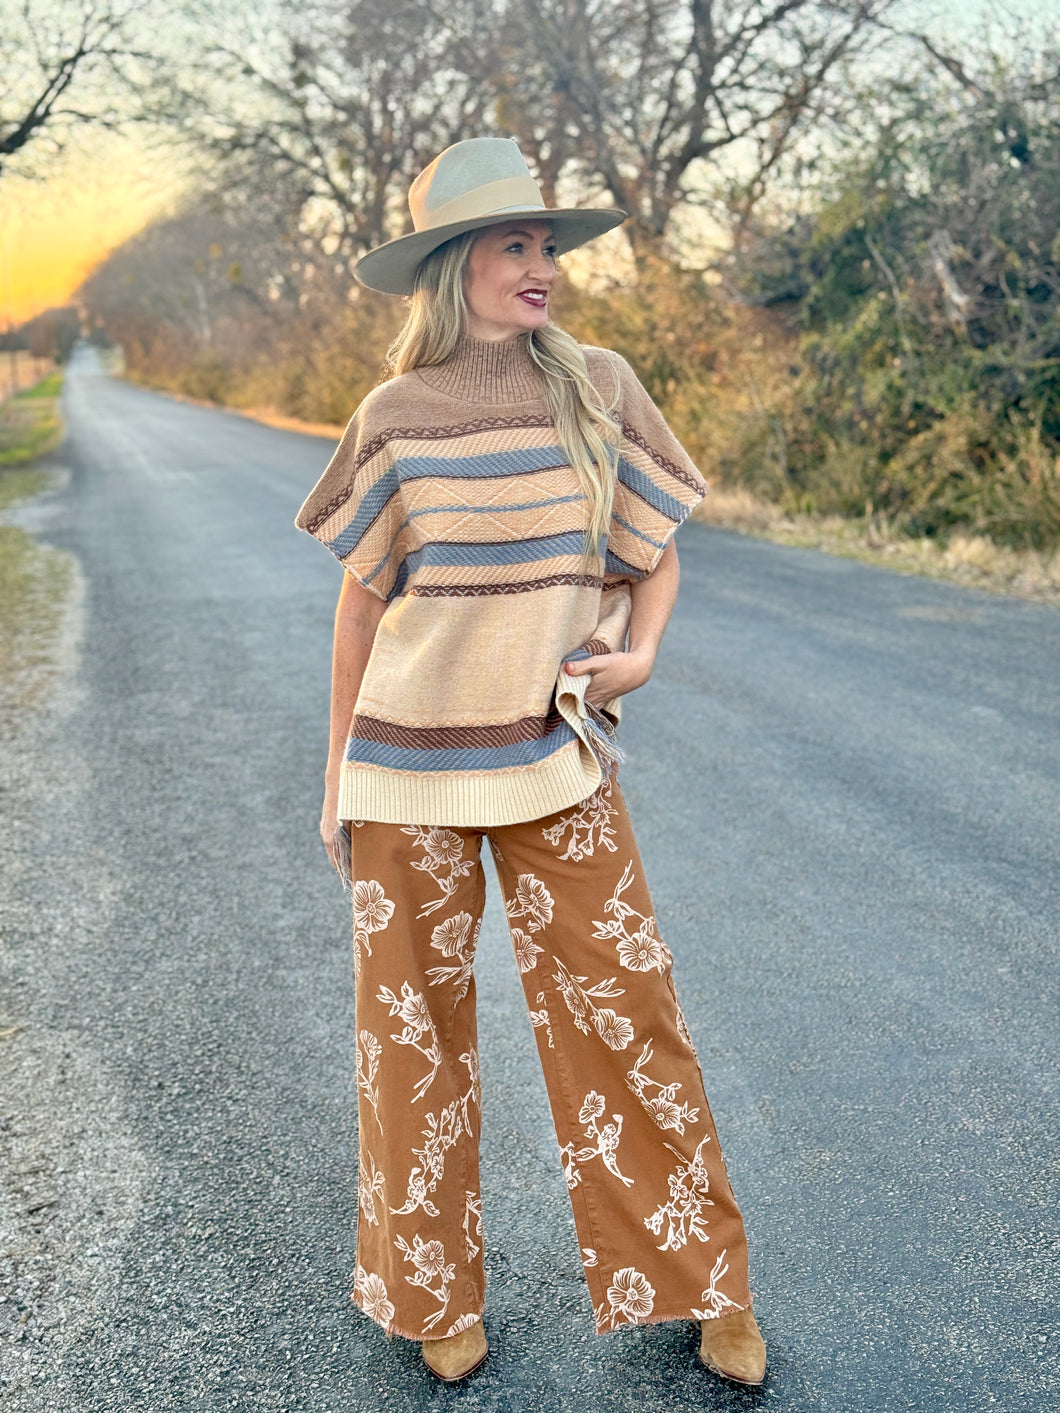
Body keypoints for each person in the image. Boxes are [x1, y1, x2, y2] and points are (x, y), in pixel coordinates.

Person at [294, 137, 767, 1387]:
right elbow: (360, 608)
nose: (541, 263)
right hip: (404, 768)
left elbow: (653, 548)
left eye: (546, 244)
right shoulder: (393, 417)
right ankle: (431, 1295)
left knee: (629, 1016)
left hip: (556, 752)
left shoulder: (598, 386)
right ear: (455, 263)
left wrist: (642, 654)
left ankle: (704, 1282)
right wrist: (336, 777)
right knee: (410, 1045)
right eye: (515, 243)